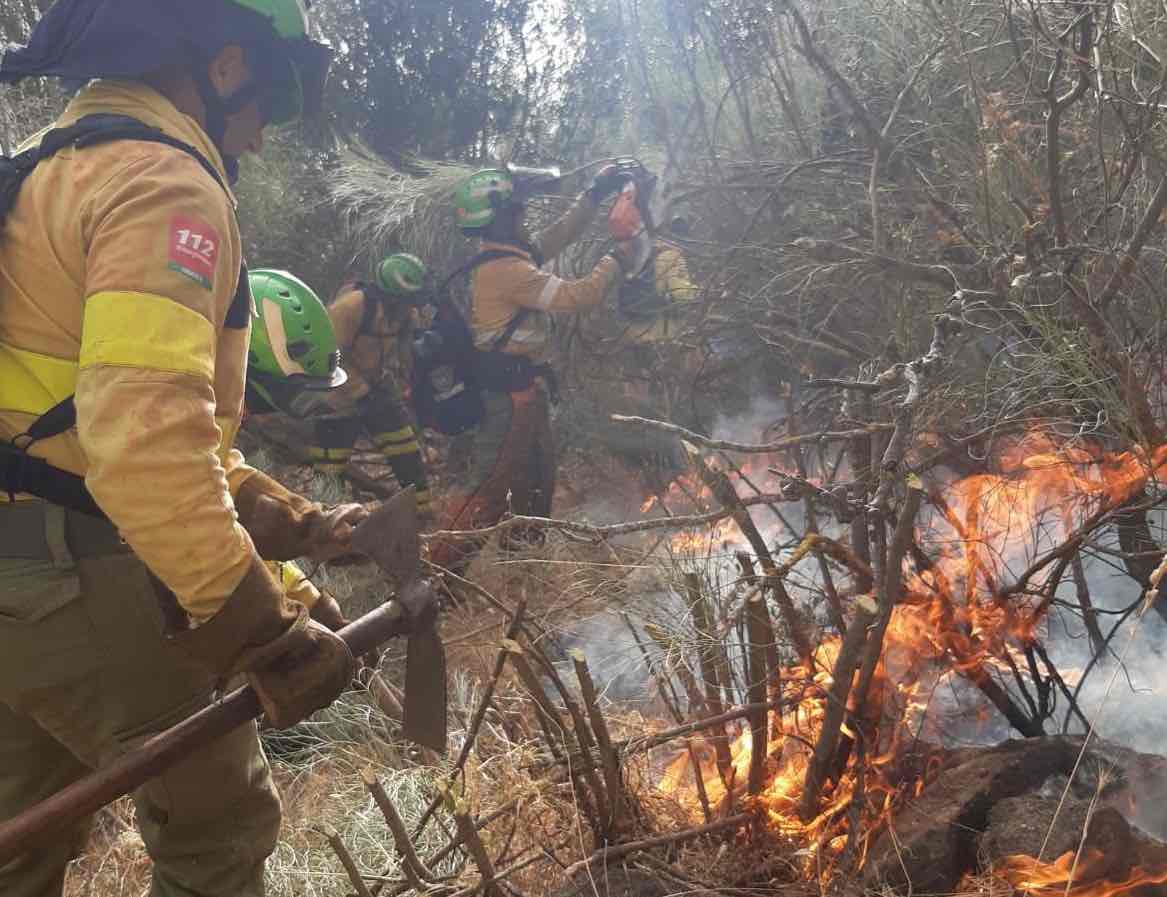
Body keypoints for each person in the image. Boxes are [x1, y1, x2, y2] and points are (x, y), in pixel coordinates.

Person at [0, 2, 366, 895]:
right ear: (227, 66)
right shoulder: (161, 184)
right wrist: (257, 628)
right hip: (80, 581)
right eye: (273, 99)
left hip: (18, 580)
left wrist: (289, 531)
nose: (266, 133)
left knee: (18, 842)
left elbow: (83, 430)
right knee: (217, 831)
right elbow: (145, 452)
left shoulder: (43, 173)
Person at [428, 164, 630, 572]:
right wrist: (620, 256)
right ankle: (438, 577)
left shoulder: (505, 258)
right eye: (517, 211)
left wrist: (594, 193)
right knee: (488, 486)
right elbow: (579, 296)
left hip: (526, 390)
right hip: (508, 395)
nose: (523, 217)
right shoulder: (506, 271)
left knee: (536, 481)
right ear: (501, 219)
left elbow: (560, 234)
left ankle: (523, 564)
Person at [305, 254, 435, 514]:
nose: (413, 305)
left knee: (406, 451)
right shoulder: (351, 307)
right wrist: (360, 391)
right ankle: (323, 524)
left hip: (377, 390)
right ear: (393, 293)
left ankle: (423, 516)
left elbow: (405, 352)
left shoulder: (405, 312)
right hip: (335, 396)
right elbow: (325, 355)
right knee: (329, 465)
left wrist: (404, 383)